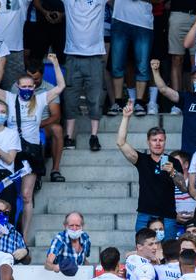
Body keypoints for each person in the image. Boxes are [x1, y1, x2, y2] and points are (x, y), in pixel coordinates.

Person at [0, 53, 66, 243]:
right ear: (18, 86)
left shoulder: (39, 100)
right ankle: (3, 232)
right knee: (6, 192)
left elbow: (61, 86)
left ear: (34, 87)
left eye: (30, 86)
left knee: (26, 195)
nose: (27, 89)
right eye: (23, 86)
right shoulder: (10, 97)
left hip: (31, 151)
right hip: (12, 150)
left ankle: (24, 236)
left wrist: (55, 63)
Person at [117, 101, 186, 237]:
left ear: (165, 141)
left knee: (168, 253)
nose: (158, 143)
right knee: (144, 251)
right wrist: (126, 118)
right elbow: (121, 143)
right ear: (148, 142)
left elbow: (183, 187)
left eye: (161, 140)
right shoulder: (142, 159)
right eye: (154, 140)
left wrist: (173, 172)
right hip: (145, 214)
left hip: (167, 216)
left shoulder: (173, 161)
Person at [61, 0, 106, 152]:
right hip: (72, 57)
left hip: (94, 57)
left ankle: (94, 136)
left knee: (95, 98)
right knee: (70, 99)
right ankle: (68, 137)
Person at [11, 58, 66, 183]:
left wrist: (38, 124)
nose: (33, 82)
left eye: (36, 79)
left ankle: (55, 170)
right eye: (29, 78)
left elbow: (56, 116)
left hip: (42, 124)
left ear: (42, 75)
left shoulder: (49, 88)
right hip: (20, 125)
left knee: (57, 129)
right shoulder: (16, 87)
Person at [108, 0, 154, 116]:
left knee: (142, 65)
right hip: (120, 19)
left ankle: (139, 103)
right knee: (116, 64)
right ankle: (117, 102)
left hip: (143, 22)